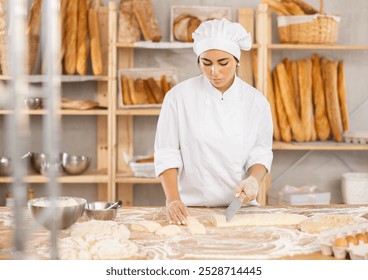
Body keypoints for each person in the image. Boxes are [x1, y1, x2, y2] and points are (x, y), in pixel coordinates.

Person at [154, 19, 273, 225]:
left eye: (223, 63)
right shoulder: (178, 97)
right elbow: (167, 153)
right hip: (188, 208)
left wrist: (254, 180)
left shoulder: (256, 102)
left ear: (236, 60)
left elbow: (260, 151)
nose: (213, 72)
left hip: (239, 208)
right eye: (206, 63)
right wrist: (173, 200)